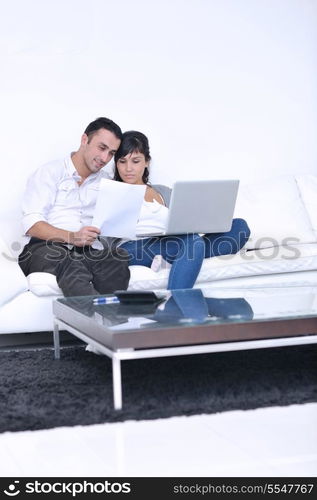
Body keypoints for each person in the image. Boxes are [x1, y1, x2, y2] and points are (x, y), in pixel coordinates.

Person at [112, 130, 250, 290]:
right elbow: (108, 238)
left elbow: (183, 220)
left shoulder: (164, 191)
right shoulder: (113, 192)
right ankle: (177, 303)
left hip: (174, 242)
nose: (128, 168)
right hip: (130, 249)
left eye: (135, 161)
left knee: (239, 227)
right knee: (192, 242)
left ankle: (174, 260)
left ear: (147, 162)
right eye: (122, 161)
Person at [18, 117, 130, 296]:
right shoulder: (50, 173)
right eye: (102, 148)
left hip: (87, 250)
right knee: (72, 264)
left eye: (111, 153)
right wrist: (72, 237)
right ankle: (94, 321)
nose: (105, 158)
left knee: (117, 258)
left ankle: (112, 320)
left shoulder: (107, 184)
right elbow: (32, 223)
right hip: (44, 248)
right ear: (84, 140)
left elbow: (115, 225)